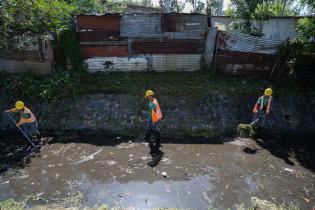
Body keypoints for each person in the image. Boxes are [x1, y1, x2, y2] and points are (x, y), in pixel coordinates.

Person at [144, 90, 163, 157]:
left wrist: (154, 121)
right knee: (149, 127)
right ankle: (147, 138)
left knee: (155, 129)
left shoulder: (153, 104)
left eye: (147, 96)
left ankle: (158, 142)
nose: (146, 98)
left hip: (153, 118)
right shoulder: (153, 100)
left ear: (150, 96)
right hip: (151, 117)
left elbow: (154, 114)